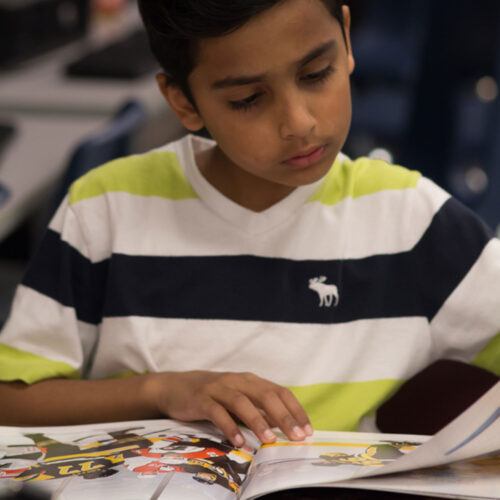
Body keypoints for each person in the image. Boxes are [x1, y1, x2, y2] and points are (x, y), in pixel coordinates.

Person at [0, 0, 499, 450]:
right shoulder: (105, 208)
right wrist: (161, 391)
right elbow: (10, 402)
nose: (298, 122)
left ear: (346, 40)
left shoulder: (413, 221)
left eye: (316, 73)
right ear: (183, 103)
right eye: (247, 100)